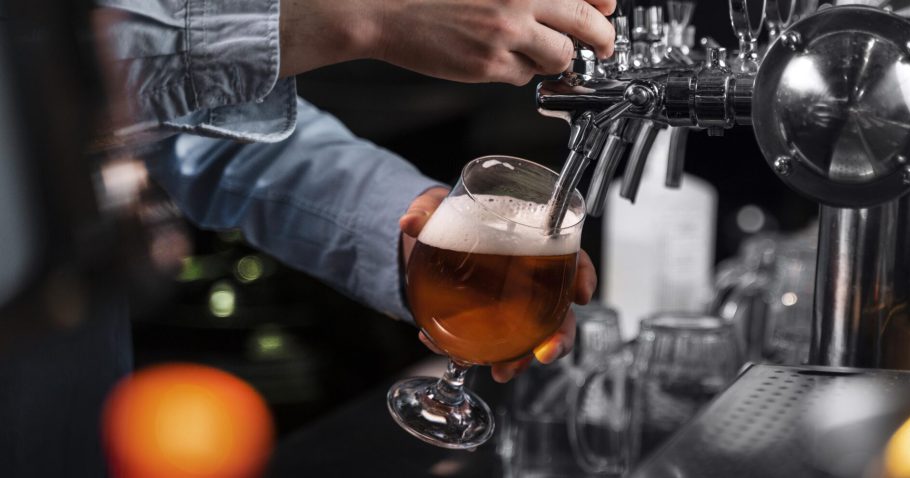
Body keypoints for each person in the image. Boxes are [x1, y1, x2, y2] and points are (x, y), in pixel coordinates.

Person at [1, 0, 613, 474]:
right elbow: (45, 74)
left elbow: (183, 136)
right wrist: (358, 16)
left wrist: (401, 226)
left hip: (74, 415)